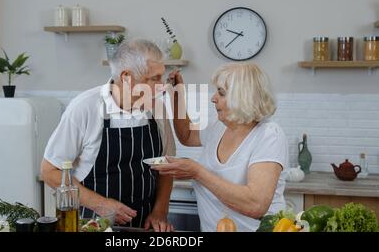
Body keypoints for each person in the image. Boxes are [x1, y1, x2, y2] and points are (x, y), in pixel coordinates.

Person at [41, 39, 176, 232]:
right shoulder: (84, 108)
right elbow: (50, 171)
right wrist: (100, 204)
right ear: (127, 77)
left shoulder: (158, 110)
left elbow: (166, 166)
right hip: (90, 224)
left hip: (144, 226)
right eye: (154, 79)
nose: (162, 86)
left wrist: (160, 211)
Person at [153, 63, 289, 232]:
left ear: (243, 97)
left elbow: (256, 205)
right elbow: (187, 135)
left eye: (221, 93)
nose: (213, 98)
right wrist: (177, 95)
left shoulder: (268, 135)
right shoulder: (219, 125)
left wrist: (197, 172)